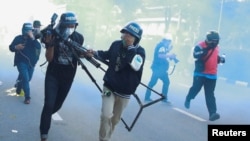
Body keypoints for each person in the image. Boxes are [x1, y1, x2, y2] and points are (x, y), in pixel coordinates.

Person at [87, 22, 145, 141]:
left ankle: (107, 136)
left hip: (125, 93)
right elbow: (107, 55)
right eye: (125, 34)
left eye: (130, 35)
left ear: (136, 39)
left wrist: (130, 48)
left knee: (115, 120)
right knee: (106, 115)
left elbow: (135, 66)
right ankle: (103, 139)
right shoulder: (116, 44)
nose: (126, 37)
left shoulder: (140, 52)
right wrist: (94, 53)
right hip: (109, 88)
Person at [39, 12, 84, 141]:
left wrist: (85, 53)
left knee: (57, 105)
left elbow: (78, 54)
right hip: (53, 75)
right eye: (68, 25)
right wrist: (50, 44)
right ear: (62, 25)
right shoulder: (53, 35)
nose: (70, 27)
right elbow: (49, 58)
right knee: (49, 104)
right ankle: (44, 132)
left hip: (68, 77)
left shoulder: (79, 38)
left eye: (73, 25)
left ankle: (45, 117)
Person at [184, 30, 225, 121]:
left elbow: (214, 57)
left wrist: (220, 59)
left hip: (212, 75)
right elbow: (195, 55)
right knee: (195, 88)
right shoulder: (200, 46)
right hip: (200, 73)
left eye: (216, 41)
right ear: (208, 40)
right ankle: (188, 98)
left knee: (210, 94)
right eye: (213, 41)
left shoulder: (217, 47)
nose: (215, 43)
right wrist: (204, 51)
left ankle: (212, 113)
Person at [9, 22, 42, 104]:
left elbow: (38, 47)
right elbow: (11, 47)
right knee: (26, 79)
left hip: (31, 63)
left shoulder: (33, 40)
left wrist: (32, 38)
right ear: (24, 30)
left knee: (28, 78)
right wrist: (16, 47)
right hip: (21, 62)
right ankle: (27, 97)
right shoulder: (18, 38)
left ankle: (19, 85)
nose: (29, 32)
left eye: (30, 30)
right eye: (28, 30)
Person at [144, 34, 178, 104]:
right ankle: (163, 98)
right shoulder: (162, 46)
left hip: (159, 68)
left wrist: (169, 51)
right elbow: (160, 55)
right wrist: (170, 55)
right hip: (159, 69)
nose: (169, 43)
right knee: (161, 82)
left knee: (154, 82)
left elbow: (162, 53)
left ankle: (148, 97)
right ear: (167, 41)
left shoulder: (161, 46)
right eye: (169, 42)